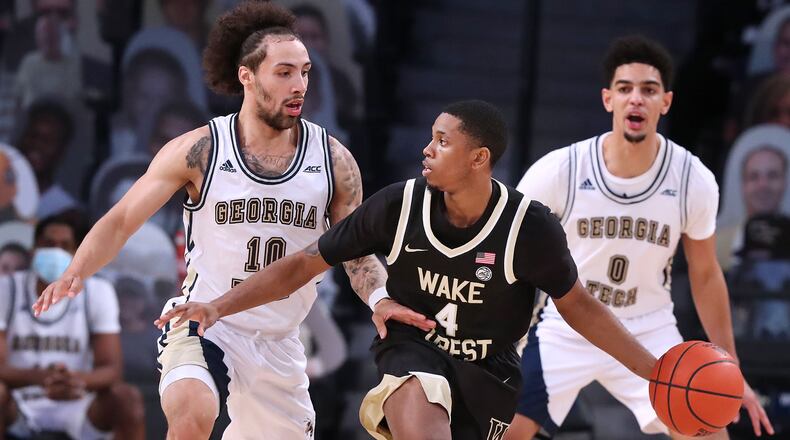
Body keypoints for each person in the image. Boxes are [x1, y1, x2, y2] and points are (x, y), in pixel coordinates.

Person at [32, 2, 427, 438]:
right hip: (206, 321)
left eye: (305, 72)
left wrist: (380, 299)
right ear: (247, 75)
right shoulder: (200, 149)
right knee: (192, 410)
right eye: (284, 72)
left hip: (280, 343)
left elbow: (355, 254)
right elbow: (123, 219)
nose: (299, 85)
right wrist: (76, 270)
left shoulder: (333, 161)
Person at [154, 99, 659, 440]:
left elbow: (583, 309)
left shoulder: (529, 229)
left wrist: (653, 372)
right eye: (429, 138)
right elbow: (303, 263)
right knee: (416, 389)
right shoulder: (399, 205)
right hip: (410, 352)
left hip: (491, 371)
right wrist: (217, 306)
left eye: (442, 141)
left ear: (478, 158)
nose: (427, 149)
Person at [509, 35, 774, 439]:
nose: (636, 99)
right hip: (567, 326)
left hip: (648, 329)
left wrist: (730, 369)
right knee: (507, 429)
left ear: (665, 102)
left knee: (708, 429)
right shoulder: (559, 169)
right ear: (607, 99)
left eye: (648, 90)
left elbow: (705, 275)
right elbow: (511, 253)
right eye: (625, 89)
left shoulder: (692, 178)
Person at [0, 215, 144, 439]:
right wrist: (43, 378)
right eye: (49, 244)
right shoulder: (6, 288)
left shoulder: (97, 291)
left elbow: (112, 369)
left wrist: (75, 381)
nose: (56, 251)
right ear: (33, 250)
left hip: (78, 402)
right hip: (18, 402)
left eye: (65, 246)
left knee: (126, 398)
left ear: (77, 253)